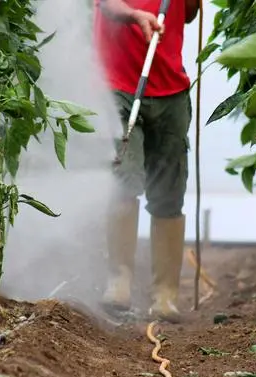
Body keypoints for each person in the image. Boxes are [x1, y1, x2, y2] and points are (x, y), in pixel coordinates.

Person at [93, 0, 199, 323]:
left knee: (169, 193)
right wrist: (134, 15)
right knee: (124, 179)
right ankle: (119, 281)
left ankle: (165, 295)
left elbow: (190, 13)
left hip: (171, 89)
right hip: (119, 85)